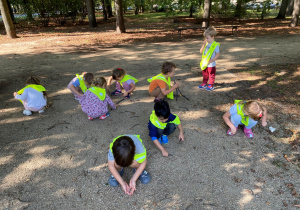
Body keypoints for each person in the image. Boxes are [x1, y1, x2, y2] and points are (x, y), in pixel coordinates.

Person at [198, 27, 220, 91]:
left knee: (211, 75)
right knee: (205, 74)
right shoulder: (206, 44)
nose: (206, 39)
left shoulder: (216, 45)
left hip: (211, 64)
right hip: (204, 63)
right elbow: (201, 51)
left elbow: (218, 54)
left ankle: (211, 85)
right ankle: (204, 83)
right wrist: (203, 45)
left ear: (212, 37)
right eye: (205, 38)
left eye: (207, 38)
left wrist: (212, 60)